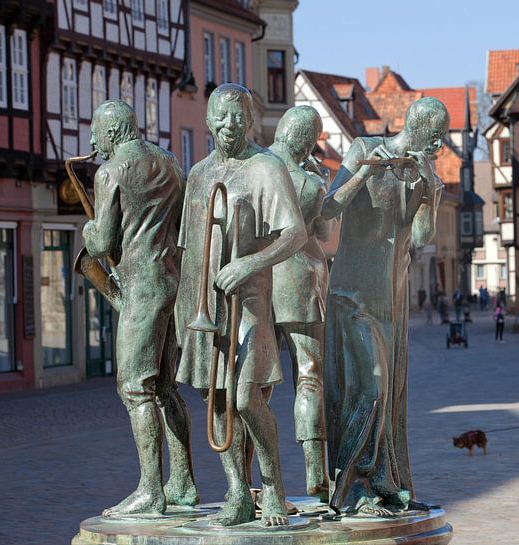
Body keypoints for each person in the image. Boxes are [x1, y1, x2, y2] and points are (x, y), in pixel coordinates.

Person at [175, 84, 307, 527]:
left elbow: (295, 233)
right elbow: (188, 249)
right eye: (222, 115)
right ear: (208, 120)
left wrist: (250, 262)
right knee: (216, 402)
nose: (230, 125)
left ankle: (273, 487)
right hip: (205, 307)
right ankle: (236, 490)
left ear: (249, 120)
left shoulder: (266, 167)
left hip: (249, 303)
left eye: (238, 116)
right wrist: (184, 309)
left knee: (247, 398)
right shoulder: (198, 174)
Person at [322, 97, 449, 516]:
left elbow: (422, 237)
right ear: (418, 129)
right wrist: (362, 172)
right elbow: (328, 208)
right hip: (353, 294)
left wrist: (430, 193)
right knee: (371, 388)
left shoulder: (421, 174)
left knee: (390, 397)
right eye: (436, 137)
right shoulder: (364, 149)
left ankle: (383, 483)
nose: (440, 145)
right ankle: (350, 487)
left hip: (390, 301)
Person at [82, 100, 198, 517]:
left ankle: (151, 489)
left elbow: (100, 243)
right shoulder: (170, 163)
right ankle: (182, 482)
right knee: (166, 387)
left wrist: (88, 228)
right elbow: (181, 224)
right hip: (171, 281)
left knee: (134, 388)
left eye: (96, 132)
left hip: (140, 288)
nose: (92, 141)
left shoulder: (109, 172)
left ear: (113, 132)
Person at [269, 105, 331, 500]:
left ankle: (258, 480)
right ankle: (315, 471)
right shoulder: (310, 183)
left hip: (260, 282)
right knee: (308, 375)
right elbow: (322, 232)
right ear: (308, 143)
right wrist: (322, 180)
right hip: (300, 279)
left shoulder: (256, 166)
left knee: (255, 385)